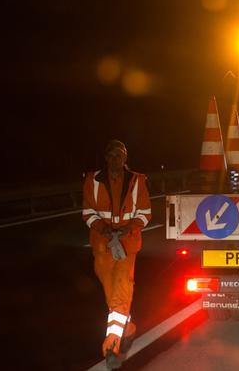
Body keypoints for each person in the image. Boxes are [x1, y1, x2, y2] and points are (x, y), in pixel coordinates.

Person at [82, 139, 151, 368]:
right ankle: (128, 328)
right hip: (102, 246)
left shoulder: (137, 181)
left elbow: (145, 213)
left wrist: (126, 229)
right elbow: (88, 212)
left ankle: (111, 346)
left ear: (125, 158)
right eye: (111, 155)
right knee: (112, 295)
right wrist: (103, 229)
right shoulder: (93, 180)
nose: (115, 159)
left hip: (126, 245)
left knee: (121, 291)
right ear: (106, 158)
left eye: (119, 155)